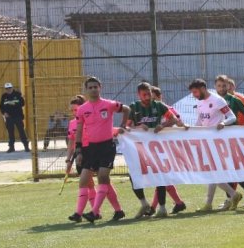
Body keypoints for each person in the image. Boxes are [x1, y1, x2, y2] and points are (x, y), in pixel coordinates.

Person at [75, 77, 131, 223]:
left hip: (107, 146)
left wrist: (124, 124)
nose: (93, 90)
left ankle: (94, 212)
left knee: (102, 177)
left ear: (100, 88)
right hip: (91, 149)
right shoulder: (82, 109)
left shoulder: (109, 104)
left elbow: (126, 109)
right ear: (86, 90)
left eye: (96, 87)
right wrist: (79, 150)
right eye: (90, 87)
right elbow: (79, 130)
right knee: (85, 180)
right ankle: (118, 211)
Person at [126, 82, 180, 218]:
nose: (147, 97)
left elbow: (173, 119)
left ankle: (162, 208)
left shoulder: (159, 106)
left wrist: (162, 125)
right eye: (144, 94)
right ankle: (144, 203)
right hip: (138, 148)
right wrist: (137, 128)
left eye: (149, 94)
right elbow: (126, 128)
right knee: (133, 175)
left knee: (159, 175)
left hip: (156, 146)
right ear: (139, 95)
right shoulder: (133, 107)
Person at [190, 78, 243, 211]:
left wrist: (223, 123)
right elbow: (200, 121)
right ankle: (221, 199)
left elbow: (232, 117)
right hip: (206, 141)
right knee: (212, 173)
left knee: (211, 173)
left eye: (195, 92)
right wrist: (191, 130)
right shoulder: (199, 102)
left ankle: (231, 195)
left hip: (218, 142)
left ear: (203, 89)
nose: (194, 95)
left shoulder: (218, 100)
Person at [215, 75, 244, 209]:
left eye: (224, 86)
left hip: (231, 138)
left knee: (230, 167)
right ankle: (243, 193)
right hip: (220, 138)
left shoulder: (234, 100)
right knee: (227, 169)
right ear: (215, 86)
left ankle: (234, 197)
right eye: (219, 86)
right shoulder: (213, 100)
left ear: (228, 86)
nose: (222, 88)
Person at [148, 86, 188, 214]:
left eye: (154, 97)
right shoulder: (149, 110)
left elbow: (177, 120)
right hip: (156, 147)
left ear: (160, 97)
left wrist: (164, 126)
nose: (152, 100)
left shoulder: (167, 109)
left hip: (168, 147)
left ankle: (155, 207)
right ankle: (177, 203)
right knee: (162, 179)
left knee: (162, 178)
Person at [65, 95, 96, 222]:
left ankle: (80, 213)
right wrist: (68, 161)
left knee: (86, 183)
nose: (74, 113)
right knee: (89, 184)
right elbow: (71, 143)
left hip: (90, 153)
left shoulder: (89, 120)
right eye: (72, 110)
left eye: (76, 110)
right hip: (79, 155)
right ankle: (95, 211)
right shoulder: (72, 123)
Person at [0, 82, 29, 153]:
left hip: (17, 116)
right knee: (10, 132)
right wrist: (4, 113)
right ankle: (11, 147)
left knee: (21, 131)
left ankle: (26, 146)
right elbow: (1, 106)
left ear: (12, 88)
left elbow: (23, 103)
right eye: (6, 88)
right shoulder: (4, 96)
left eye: (9, 88)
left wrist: (15, 103)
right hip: (9, 117)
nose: (8, 89)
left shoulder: (17, 94)